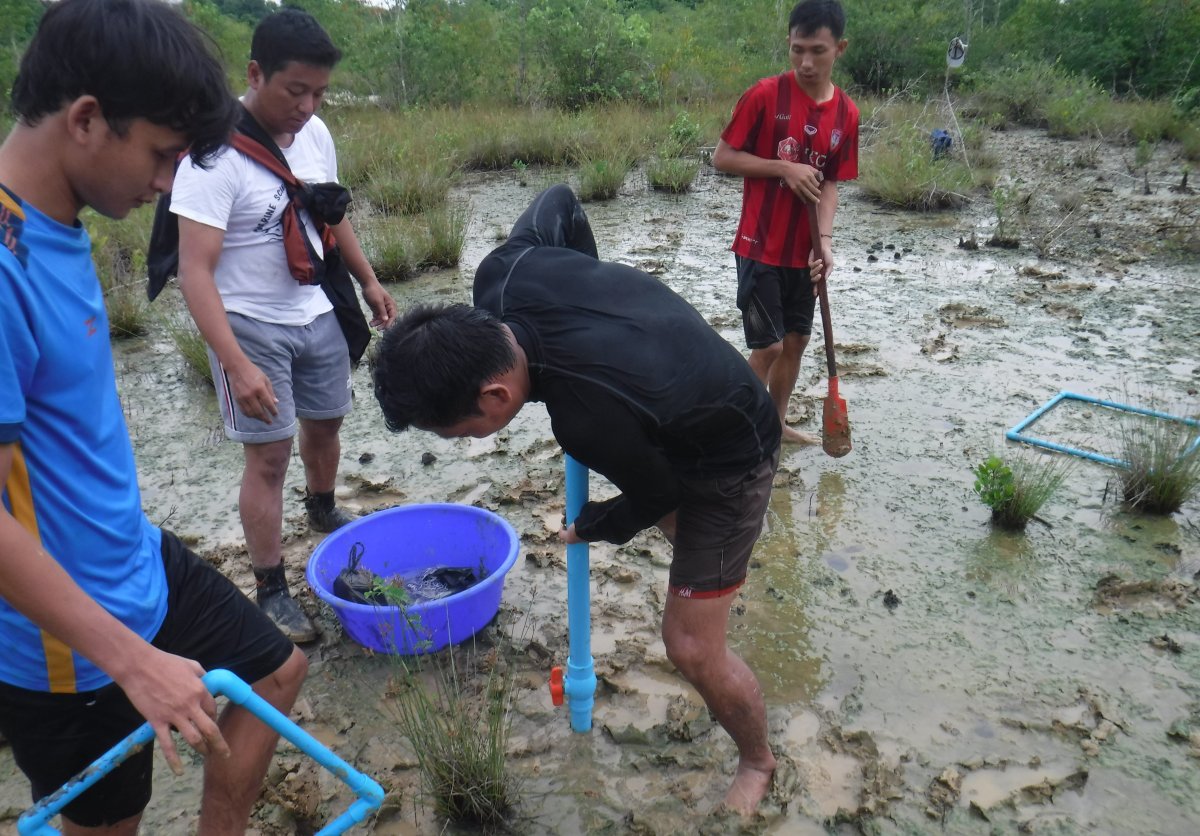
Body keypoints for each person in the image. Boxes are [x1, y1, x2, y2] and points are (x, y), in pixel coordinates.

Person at [373, 184, 782, 814]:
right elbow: (560, 200)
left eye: (459, 434)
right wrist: (585, 278)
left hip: (732, 454)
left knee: (691, 645)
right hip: (670, 403)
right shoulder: (503, 274)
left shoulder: (586, 419)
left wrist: (593, 524)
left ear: (495, 397)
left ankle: (758, 760)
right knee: (690, 549)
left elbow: (659, 491)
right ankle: (714, 576)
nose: (462, 442)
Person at [0, 1, 308, 833]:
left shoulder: (53, 227)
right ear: (86, 120)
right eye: (163, 155)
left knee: (277, 673)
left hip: (133, 561)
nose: (169, 184)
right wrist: (133, 662)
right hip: (66, 649)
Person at [173, 7, 397, 643]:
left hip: (314, 307)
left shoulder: (316, 134)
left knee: (327, 421)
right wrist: (236, 365)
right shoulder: (213, 158)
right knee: (269, 456)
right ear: (255, 74)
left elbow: (330, 215)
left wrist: (368, 279)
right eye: (295, 91)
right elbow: (194, 272)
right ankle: (271, 588)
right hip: (248, 322)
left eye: (318, 93)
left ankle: (321, 508)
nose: (307, 107)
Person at [713, 0, 859, 445]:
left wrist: (825, 241)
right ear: (789, 44)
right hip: (759, 245)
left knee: (795, 342)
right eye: (798, 49)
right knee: (769, 345)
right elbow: (723, 157)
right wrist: (783, 168)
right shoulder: (764, 95)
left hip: (804, 252)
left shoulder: (847, 114)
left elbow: (830, 183)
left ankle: (774, 426)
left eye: (817, 51)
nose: (806, 62)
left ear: (840, 49)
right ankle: (733, 432)